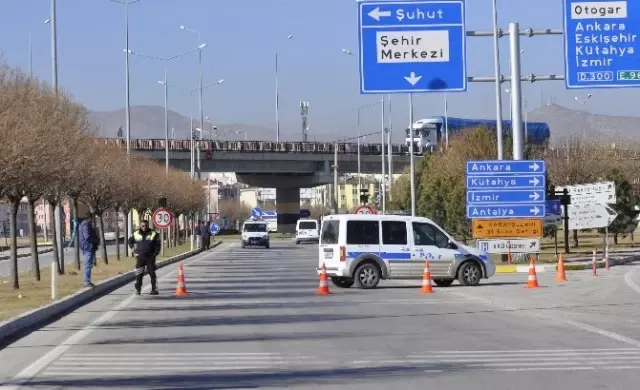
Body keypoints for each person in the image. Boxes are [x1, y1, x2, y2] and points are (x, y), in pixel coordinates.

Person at [128, 220, 161, 295]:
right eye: (142, 226)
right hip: (140, 257)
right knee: (139, 274)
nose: (144, 227)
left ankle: (154, 289)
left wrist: (155, 254)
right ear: (140, 226)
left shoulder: (154, 233)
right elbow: (130, 241)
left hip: (150, 257)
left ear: (148, 225)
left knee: (152, 273)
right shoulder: (136, 233)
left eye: (146, 225)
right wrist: (132, 248)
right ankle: (138, 289)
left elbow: (158, 244)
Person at [78, 212, 100, 288]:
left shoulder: (87, 224)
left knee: (89, 265)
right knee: (88, 264)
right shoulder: (85, 225)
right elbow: (87, 236)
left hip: (88, 247)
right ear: (89, 218)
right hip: (87, 247)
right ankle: (86, 281)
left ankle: (87, 280)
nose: (93, 220)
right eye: (93, 218)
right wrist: (95, 240)